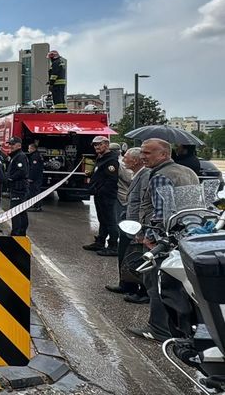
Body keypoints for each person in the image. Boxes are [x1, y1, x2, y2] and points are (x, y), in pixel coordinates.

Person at [129, 138, 199, 342]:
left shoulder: (160, 175)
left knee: (156, 284)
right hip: (185, 238)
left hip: (163, 242)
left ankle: (158, 328)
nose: (143, 156)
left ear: (164, 154)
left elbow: (161, 214)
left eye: (148, 153)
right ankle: (180, 327)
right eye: (142, 152)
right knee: (177, 286)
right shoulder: (188, 172)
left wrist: (151, 239)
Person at [105, 147, 149, 302]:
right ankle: (127, 284)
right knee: (125, 254)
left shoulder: (145, 175)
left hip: (137, 224)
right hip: (129, 221)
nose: (123, 160)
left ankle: (142, 290)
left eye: (126, 158)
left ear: (135, 161)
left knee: (137, 256)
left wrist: (139, 227)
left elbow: (144, 202)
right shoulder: (137, 174)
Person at [82, 136, 120, 256]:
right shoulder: (101, 158)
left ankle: (113, 246)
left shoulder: (111, 160)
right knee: (102, 220)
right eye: (95, 145)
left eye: (100, 144)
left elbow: (111, 180)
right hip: (99, 194)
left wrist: (101, 190)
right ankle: (100, 242)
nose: (97, 147)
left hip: (107, 195)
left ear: (107, 145)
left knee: (110, 221)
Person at [5, 137, 29, 236]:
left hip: (19, 188)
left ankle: (16, 233)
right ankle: (21, 232)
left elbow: (22, 171)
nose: (10, 146)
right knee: (21, 210)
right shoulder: (15, 156)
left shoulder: (20, 156)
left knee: (15, 211)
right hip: (17, 187)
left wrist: (10, 178)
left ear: (19, 145)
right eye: (10, 144)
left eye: (13, 144)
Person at [27, 143, 44, 212]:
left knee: (35, 191)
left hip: (35, 178)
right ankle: (35, 205)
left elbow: (34, 168)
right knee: (34, 191)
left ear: (33, 148)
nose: (28, 150)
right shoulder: (37, 155)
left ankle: (37, 206)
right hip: (38, 177)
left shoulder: (35, 156)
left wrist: (31, 178)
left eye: (29, 148)